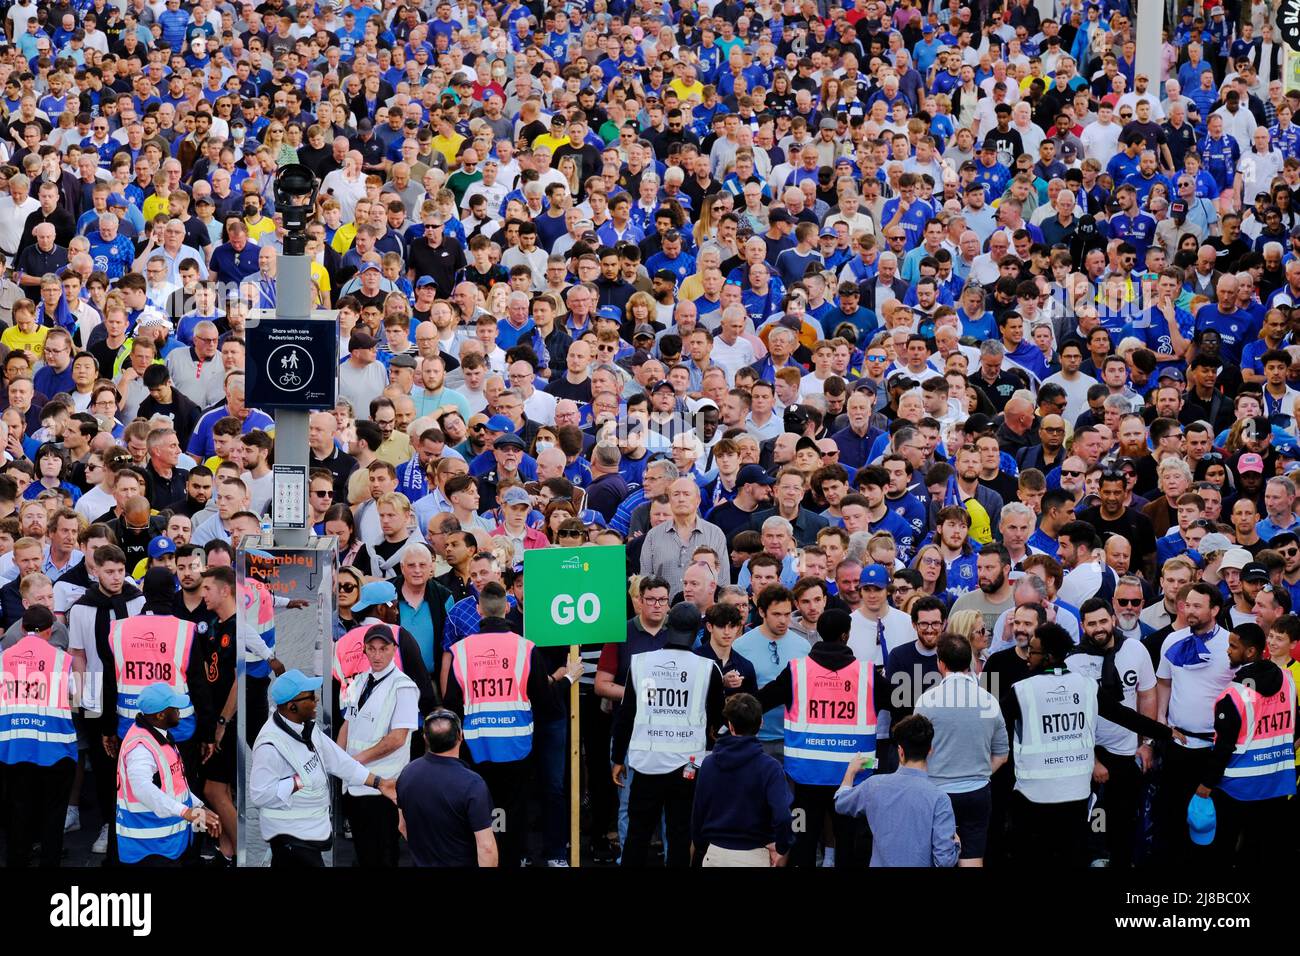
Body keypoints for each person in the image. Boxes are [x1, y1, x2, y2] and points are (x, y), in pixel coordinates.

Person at [442, 583, 581, 867]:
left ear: (478, 610)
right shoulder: (524, 648)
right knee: (514, 810)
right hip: (516, 745)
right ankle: (513, 857)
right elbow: (544, 700)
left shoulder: (460, 651)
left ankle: (484, 857)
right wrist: (567, 679)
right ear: (506, 608)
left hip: (476, 745)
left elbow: (452, 704)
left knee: (480, 808)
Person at [756, 607, 876, 867]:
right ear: (846, 635)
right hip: (851, 775)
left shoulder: (797, 670)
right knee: (847, 838)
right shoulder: (866, 673)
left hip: (805, 774)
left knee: (803, 834)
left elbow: (761, 701)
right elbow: (901, 703)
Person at [612, 601, 725, 867]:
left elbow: (626, 715)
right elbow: (719, 721)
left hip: (646, 765)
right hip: (688, 766)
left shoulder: (640, 663)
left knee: (638, 834)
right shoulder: (709, 669)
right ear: (699, 630)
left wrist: (618, 758)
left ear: (667, 625)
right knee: (679, 834)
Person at [249, 669, 397, 867]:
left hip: (309, 834)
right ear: (292, 706)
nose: (316, 699)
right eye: (310, 696)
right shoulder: (270, 747)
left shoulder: (307, 728)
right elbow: (259, 795)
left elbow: (339, 761)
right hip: (290, 840)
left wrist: (379, 783)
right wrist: (298, 781)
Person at [1196, 622, 1297, 866]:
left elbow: (1224, 746)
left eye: (1233, 646)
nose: (1228, 651)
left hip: (1238, 787)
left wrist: (1207, 783)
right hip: (1277, 782)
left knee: (1225, 849)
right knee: (1263, 850)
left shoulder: (1233, 694)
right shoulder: (1287, 679)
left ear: (1250, 652)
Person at [1001, 623, 1098, 867]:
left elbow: (993, 723)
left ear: (1049, 657)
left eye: (1032, 651)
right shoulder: (1087, 685)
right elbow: (1123, 715)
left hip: (1033, 798)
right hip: (1076, 795)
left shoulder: (1022, 690)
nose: (1027, 655)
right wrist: (1163, 732)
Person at [914, 632, 1008, 867]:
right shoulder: (989, 701)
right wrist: (982, 774)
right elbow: (1002, 755)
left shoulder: (927, 701)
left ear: (940, 663)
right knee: (973, 858)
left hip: (936, 791)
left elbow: (916, 751)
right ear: (968, 662)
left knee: (935, 857)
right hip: (977, 791)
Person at [0, 605, 78, 867]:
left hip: (14, 748)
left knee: (17, 809)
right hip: (55, 748)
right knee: (54, 813)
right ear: (49, 630)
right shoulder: (61, 659)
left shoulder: (4, 656)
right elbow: (75, 695)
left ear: (22, 629)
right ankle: (49, 862)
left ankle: (16, 860)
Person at [337, 624, 420, 868]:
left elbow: (397, 738)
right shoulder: (359, 681)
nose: (376, 655)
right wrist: (341, 761)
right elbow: (347, 725)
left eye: (383, 649)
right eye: (371, 649)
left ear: (394, 649)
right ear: (364, 650)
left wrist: (353, 762)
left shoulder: (403, 686)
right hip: (355, 786)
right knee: (364, 855)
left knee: (384, 855)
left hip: (383, 789)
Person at [832, 714, 960, 867]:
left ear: (900, 751)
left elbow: (840, 803)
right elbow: (944, 861)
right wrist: (956, 845)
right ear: (930, 751)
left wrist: (851, 771)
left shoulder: (874, 785)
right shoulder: (940, 799)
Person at [115, 682, 219, 866]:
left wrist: (200, 808)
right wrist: (186, 812)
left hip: (167, 844)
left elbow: (176, 784)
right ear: (160, 714)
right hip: (149, 849)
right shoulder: (141, 748)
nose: (179, 710)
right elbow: (141, 788)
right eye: (174, 708)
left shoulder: (160, 736)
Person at [690, 693, 795, 867]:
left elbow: (697, 814)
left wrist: (702, 847)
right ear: (761, 723)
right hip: (754, 856)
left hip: (714, 855)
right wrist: (782, 847)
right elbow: (783, 817)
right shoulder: (770, 768)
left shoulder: (708, 764)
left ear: (730, 726)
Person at [396, 709, 498, 867]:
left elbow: (402, 826)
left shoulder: (407, 773)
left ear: (425, 738)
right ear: (460, 736)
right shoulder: (472, 784)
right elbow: (486, 848)